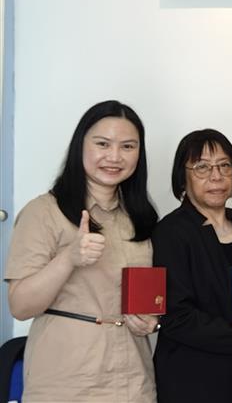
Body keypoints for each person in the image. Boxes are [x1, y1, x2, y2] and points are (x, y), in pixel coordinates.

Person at [5, 100, 160, 402]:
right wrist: (69, 258)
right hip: (66, 379)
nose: (114, 156)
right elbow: (20, 306)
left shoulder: (141, 218)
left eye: (128, 147)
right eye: (102, 144)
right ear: (80, 145)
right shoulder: (43, 212)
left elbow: (150, 296)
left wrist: (152, 321)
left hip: (134, 378)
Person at [152, 129, 232, 403]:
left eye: (224, 166)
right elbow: (176, 318)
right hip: (194, 381)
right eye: (202, 167)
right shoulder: (171, 232)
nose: (216, 176)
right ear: (182, 176)